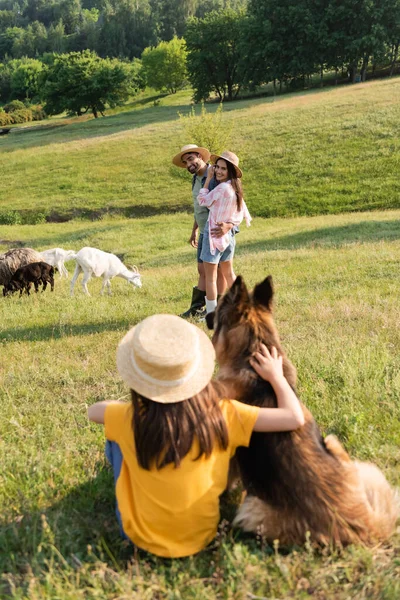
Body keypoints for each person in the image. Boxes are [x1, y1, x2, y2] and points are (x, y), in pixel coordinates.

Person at [87, 314, 305, 559]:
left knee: (115, 440)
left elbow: (93, 411)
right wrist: (276, 376)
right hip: (202, 536)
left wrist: (127, 408)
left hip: (138, 538)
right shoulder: (225, 412)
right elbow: (293, 417)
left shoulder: (130, 417)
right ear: (196, 372)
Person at [172, 145, 235, 318]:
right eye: (185, 162)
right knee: (203, 270)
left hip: (216, 232)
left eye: (191, 159)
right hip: (203, 231)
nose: (189, 164)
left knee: (219, 272)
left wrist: (230, 227)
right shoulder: (196, 178)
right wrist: (194, 229)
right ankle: (197, 306)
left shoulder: (215, 177)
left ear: (200, 156)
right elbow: (199, 206)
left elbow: (233, 203)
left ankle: (217, 308)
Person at [197, 151, 252, 315]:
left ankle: (212, 315)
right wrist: (229, 225)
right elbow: (241, 214)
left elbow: (203, 201)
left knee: (211, 278)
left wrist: (207, 179)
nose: (219, 171)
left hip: (213, 235)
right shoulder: (236, 190)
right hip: (228, 238)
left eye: (223, 169)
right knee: (229, 274)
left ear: (230, 172)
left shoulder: (221, 188)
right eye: (217, 167)